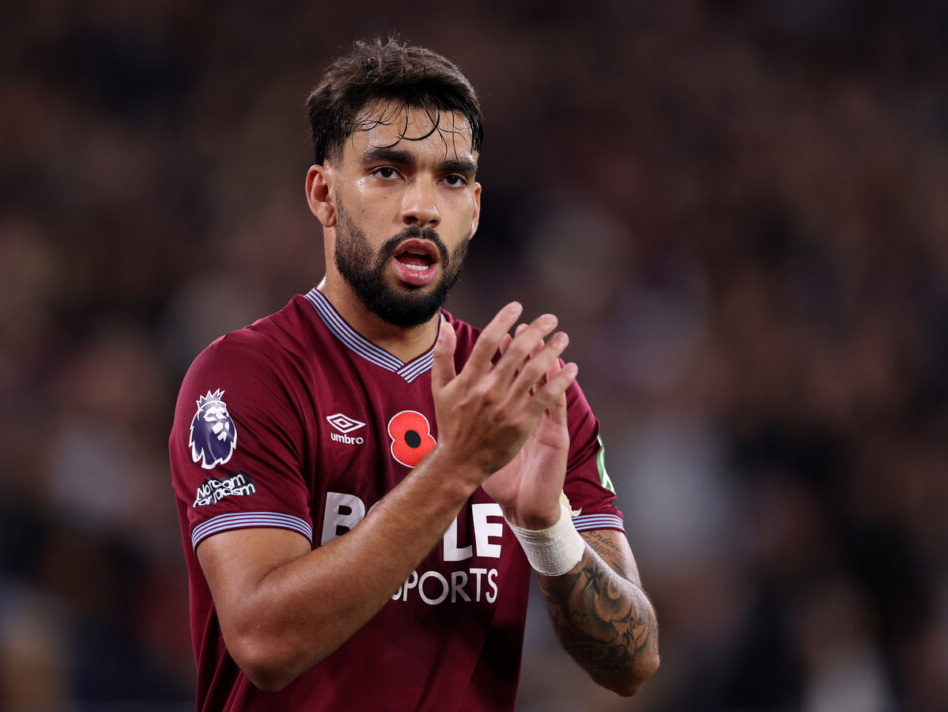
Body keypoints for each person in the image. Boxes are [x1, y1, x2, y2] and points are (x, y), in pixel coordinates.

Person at [169, 37, 659, 711]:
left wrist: (547, 528)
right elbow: (263, 644)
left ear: (476, 207)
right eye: (389, 171)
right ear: (323, 193)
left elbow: (633, 663)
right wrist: (456, 467)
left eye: (451, 178)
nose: (422, 205)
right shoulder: (246, 376)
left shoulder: (527, 396)